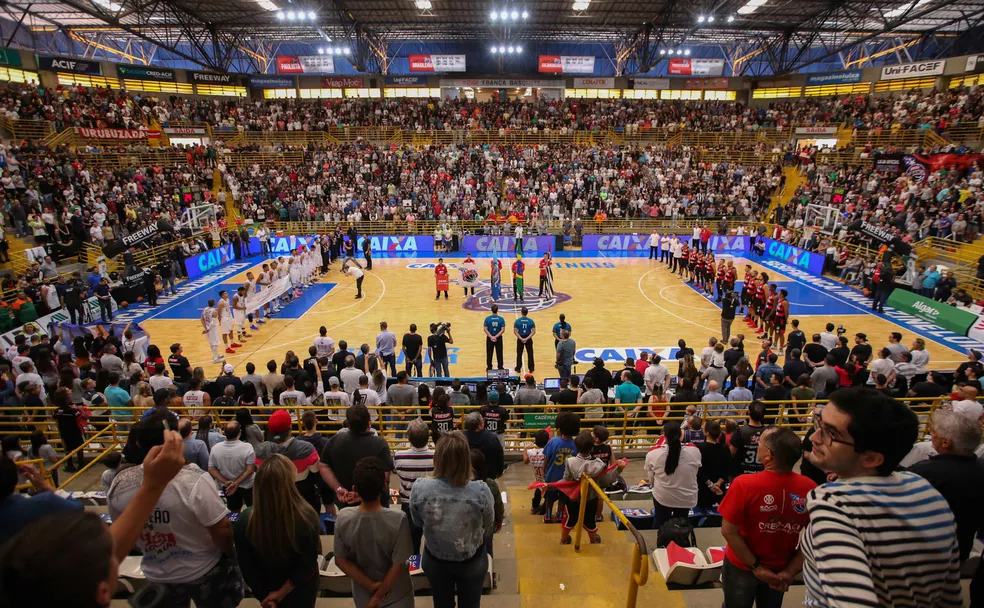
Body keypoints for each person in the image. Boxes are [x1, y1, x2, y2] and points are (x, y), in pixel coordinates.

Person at [797, 388, 962, 607]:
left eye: (831, 433)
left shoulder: (832, 504)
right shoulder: (926, 491)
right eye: (819, 423)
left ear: (871, 458)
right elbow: (950, 597)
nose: (814, 437)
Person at [0, 429, 186, 607]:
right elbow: (104, 544)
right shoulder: (43, 504)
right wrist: (153, 485)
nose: (114, 556)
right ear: (103, 592)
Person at [108, 412, 245, 606]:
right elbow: (221, 529)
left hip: (156, 569)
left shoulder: (120, 483)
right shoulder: (195, 479)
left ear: (138, 443)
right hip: (202, 567)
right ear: (177, 441)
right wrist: (230, 552)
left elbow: (123, 531)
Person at [718, 427, 817, 608]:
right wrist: (790, 571)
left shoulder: (744, 485)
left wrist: (757, 567)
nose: (758, 447)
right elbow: (815, 537)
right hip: (780, 568)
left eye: (760, 445)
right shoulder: (810, 488)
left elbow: (728, 531)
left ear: (768, 455)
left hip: (742, 567)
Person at [410, 431, 493, 608]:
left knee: (441, 602)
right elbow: (488, 524)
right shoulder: (480, 491)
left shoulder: (420, 488)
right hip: (471, 559)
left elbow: (417, 521)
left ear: (437, 458)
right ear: (466, 458)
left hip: (436, 560)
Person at [233, 453, 322, 608]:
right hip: (299, 591)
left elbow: (247, 568)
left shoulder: (244, 521)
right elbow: (308, 563)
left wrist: (265, 597)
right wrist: (281, 593)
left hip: (267, 591)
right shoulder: (306, 516)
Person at [335, 456, 415, 608]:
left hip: (363, 594)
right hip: (396, 594)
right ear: (385, 486)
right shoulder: (398, 519)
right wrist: (379, 596)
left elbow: (340, 560)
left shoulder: (343, 518)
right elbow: (398, 564)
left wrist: (371, 586)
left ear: (354, 489)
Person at [908, 409, 984, 563]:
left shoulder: (924, 472)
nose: (931, 435)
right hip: (962, 547)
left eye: (933, 432)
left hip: (923, 551)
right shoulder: (981, 467)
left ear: (945, 442)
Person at [319, 404, 393, 509]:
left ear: (348, 424)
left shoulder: (335, 440)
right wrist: (364, 494)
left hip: (346, 499)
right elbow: (386, 478)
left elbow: (323, 466)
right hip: (375, 502)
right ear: (369, 423)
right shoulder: (380, 443)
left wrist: (338, 488)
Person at [559, 429, 625, 545]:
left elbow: (566, 480)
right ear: (591, 448)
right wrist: (620, 469)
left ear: (576, 446)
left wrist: (551, 484)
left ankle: (563, 540)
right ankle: (593, 540)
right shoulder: (599, 465)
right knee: (590, 521)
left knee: (569, 519)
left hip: (573, 498)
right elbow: (606, 481)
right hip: (591, 498)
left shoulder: (570, 462)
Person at [255, 409, 323, 515]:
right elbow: (315, 470)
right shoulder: (305, 448)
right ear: (290, 427)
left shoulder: (260, 451)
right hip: (302, 495)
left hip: (274, 496)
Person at [645, 420, 701, 526]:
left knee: (660, 521)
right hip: (687, 497)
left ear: (664, 436)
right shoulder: (695, 451)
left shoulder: (653, 453)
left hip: (663, 497)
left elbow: (651, 479)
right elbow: (695, 473)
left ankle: (660, 540)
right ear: (681, 435)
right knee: (682, 523)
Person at [394, 418, 435, 556]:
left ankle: (414, 569)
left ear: (409, 438)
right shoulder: (437, 457)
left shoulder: (399, 457)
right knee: (434, 541)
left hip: (408, 504)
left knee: (412, 542)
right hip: (432, 504)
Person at [208, 421, 256, 513]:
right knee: (252, 509)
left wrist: (226, 482)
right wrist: (236, 483)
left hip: (227, 485)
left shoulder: (215, 448)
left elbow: (211, 469)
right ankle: (251, 526)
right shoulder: (247, 447)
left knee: (234, 511)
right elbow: (250, 469)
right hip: (247, 485)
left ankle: (235, 526)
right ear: (239, 433)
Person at [730, 401, 766, 478]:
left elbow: (731, 452)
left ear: (749, 412)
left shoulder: (740, 431)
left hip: (741, 473)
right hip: (761, 472)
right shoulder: (768, 432)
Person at [464, 412, 505, 479]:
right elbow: (499, 456)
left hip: (465, 477)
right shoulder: (491, 438)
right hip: (488, 477)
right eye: (483, 421)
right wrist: (499, 471)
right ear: (479, 426)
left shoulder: (460, 439)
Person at [483, 303, 506, 370]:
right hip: (498, 338)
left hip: (490, 338)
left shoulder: (487, 319)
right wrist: (496, 337)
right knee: (499, 353)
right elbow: (502, 330)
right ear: (497, 310)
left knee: (489, 353)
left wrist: (491, 337)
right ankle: (500, 367)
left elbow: (485, 329)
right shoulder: (501, 319)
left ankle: (489, 367)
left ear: (491, 310)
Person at [514, 306, 536, 373]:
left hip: (520, 338)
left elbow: (515, 331)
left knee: (519, 354)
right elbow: (533, 331)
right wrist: (526, 338)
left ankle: (518, 368)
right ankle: (531, 368)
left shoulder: (517, 321)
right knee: (530, 353)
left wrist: (521, 338)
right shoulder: (531, 321)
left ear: (521, 312)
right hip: (528, 338)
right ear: (527, 312)